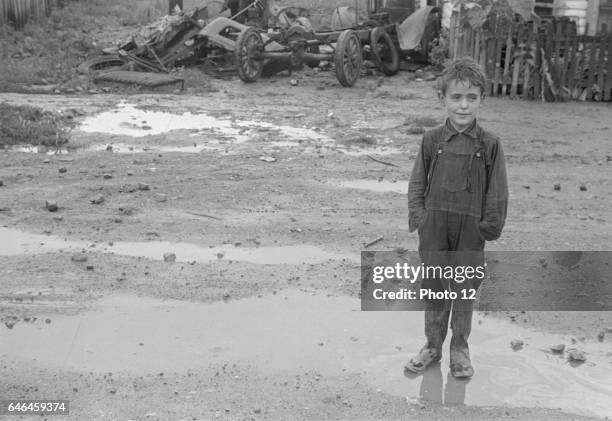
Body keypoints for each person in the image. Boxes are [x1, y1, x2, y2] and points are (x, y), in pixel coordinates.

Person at [405, 57, 508, 378]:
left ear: (482, 99)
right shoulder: (431, 140)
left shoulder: (490, 144)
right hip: (434, 225)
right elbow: (417, 182)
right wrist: (420, 217)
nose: (463, 106)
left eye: (471, 98)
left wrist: (488, 226)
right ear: (443, 99)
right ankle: (432, 346)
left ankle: (460, 350)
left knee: (463, 288)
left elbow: (498, 190)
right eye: (456, 98)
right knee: (435, 285)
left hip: (470, 229)